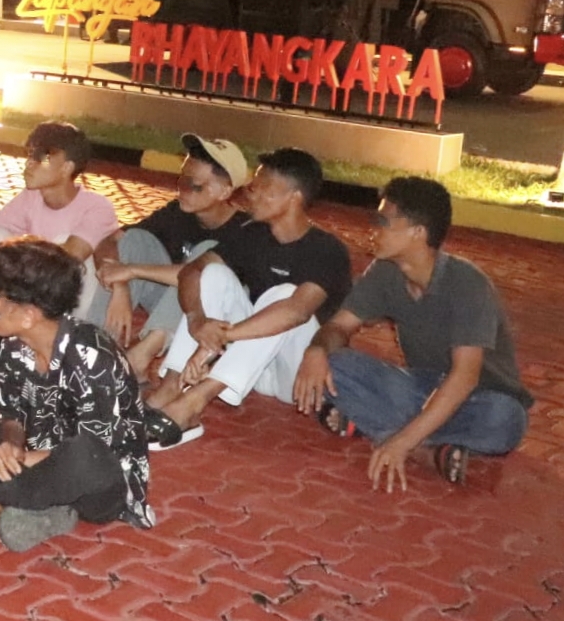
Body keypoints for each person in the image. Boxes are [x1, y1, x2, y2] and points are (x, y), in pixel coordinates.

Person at [0, 238, 155, 552]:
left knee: (83, 457)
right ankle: (35, 501)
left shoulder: (93, 357)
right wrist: (9, 447)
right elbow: (11, 415)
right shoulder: (14, 343)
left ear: (28, 315)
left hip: (101, 481)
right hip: (34, 453)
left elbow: (97, 449)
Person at [293, 177, 532, 489]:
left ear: (418, 232)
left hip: (478, 397)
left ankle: (389, 434)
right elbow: (339, 326)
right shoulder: (385, 272)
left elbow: (464, 377)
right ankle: (428, 448)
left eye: (383, 221)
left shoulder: (468, 284)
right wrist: (317, 350)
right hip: (418, 388)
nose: (373, 228)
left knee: (506, 420)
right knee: (335, 367)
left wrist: (402, 443)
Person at [144, 148, 353, 450]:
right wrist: (197, 321)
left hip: (295, 375)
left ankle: (193, 403)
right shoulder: (251, 232)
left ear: (293, 197)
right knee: (212, 274)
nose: (250, 193)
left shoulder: (327, 250)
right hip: (249, 364)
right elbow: (192, 271)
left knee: (284, 295)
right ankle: (171, 386)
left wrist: (218, 339)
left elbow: (296, 311)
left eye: (261, 187)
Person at [87, 135, 250, 377]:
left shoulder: (245, 230)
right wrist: (120, 285)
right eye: (181, 180)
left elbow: (196, 277)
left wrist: (131, 270)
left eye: (194, 185)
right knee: (136, 239)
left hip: (214, 320)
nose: (181, 189)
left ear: (224, 191)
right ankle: (92, 346)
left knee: (204, 258)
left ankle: (142, 356)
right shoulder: (177, 211)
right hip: (173, 308)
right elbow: (111, 241)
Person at [0, 122, 120, 316]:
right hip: (38, 285)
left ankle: (25, 310)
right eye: (30, 155)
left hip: (81, 303)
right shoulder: (32, 196)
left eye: (42, 158)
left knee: (60, 248)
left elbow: (68, 259)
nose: (29, 164)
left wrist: (16, 261)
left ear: (66, 168)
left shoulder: (98, 206)